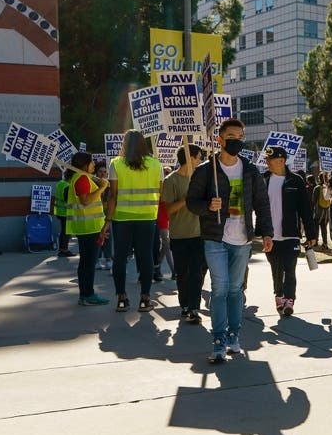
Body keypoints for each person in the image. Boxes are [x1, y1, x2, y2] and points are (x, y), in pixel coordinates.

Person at [186, 118, 273, 363]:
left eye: (240, 137)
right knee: (220, 288)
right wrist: (207, 205)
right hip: (215, 238)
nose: (236, 141)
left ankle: (235, 335)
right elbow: (192, 202)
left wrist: (266, 232)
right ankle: (218, 340)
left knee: (236, 290)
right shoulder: (206, 170)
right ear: (220, 140)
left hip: (243, 240)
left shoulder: (250, 170)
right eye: (231, 137)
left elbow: (262, 204)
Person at [104, 129, 164, 313]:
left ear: (124, 144)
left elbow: (112, 195)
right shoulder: (156, 165)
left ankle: (121, 298)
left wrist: (107, 221)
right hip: (147, 217)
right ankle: (145, 299)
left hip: (122, 217)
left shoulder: (116, 164)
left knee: (120, 257)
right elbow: (161, 193)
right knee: (145, 256)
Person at [262, 145, 317, 317]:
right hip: (270, 235)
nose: (267, 162)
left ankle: (289, 300)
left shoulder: (296, 181)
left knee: (290, 269)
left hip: (291, 234)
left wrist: (311, 234)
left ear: (281, 160)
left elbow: (305, 209)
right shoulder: (263, 179)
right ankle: (278, 295)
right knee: (276, 269)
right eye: (266, 159)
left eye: (269, 159)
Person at [162, 144, 206, 324]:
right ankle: (185, 305)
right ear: (190, 158)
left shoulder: (201, 178)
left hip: (199, 234)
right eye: (199, 157)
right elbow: (169, 209)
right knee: (183, 273)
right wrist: (187, 199)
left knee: (197, 272)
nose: (201, 160)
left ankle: (194, 307)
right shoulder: (170, 180)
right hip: (179, 235)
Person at [65, 152, 109, 305]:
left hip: (87, 228)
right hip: (89, 228)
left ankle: (85, 295)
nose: (94, 165)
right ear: (84, 164)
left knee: (86, 263)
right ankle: (88, 295)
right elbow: (85, 201)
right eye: (91, 162)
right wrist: (102, 188)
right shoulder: (82, 178)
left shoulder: (81, 177)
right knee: (88, 264)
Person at [94, 160, 113, 271]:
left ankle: (108, 259)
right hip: (96, 213)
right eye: (100, 171)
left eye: (105, 172)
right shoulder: (93, 184)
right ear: (96, 173)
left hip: (107, 213)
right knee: (97, 237)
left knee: (107, 236)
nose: (103, 174)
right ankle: (96, 260)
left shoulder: (110, 185)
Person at [53, 173, 74, 257]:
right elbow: (68, 200)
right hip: (66, 212)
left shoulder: (60, 184)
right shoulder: (67, 186)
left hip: (59, 211)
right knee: (66, 232)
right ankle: (64, 250)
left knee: (63, 231)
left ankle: (62, 249)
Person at [312, 172, 331, 250]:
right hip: (326, 211)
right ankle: (325, 243)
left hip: (318, 211)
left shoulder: (317, 188)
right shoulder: (328, 187)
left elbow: (313, 199)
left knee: (316, 227)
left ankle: (315, 241)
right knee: (324, 228)